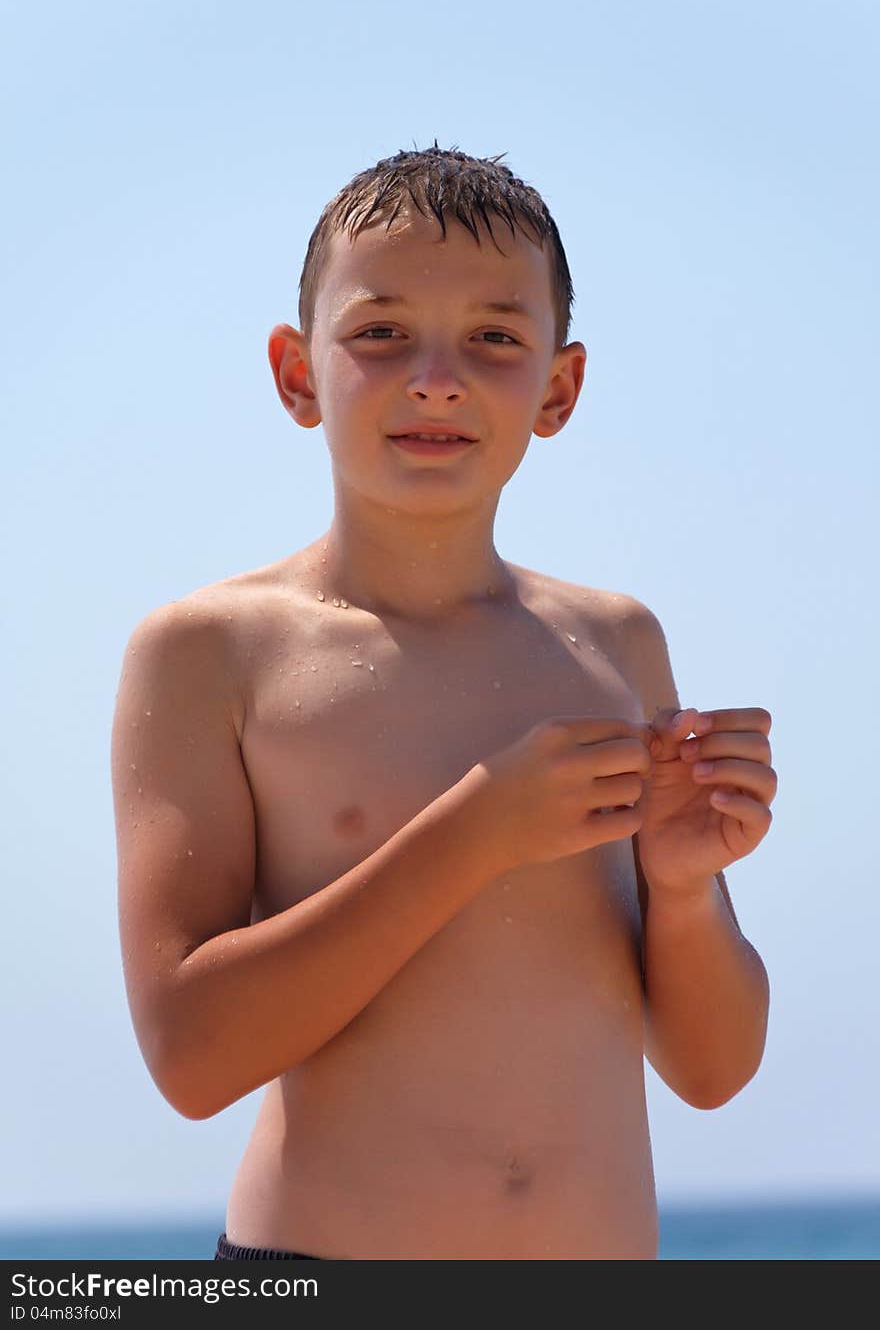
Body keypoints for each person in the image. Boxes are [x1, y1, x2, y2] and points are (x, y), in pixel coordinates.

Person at [111, 143, 775, 1261]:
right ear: (295, 373)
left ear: (556, 389)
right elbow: (191, 1054)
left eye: (494, 338)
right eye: (379, 333)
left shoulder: (616, 643)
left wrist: (684, 886)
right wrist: (475, 834)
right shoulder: (212, 652)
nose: (435, 376)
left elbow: (712, 1073)